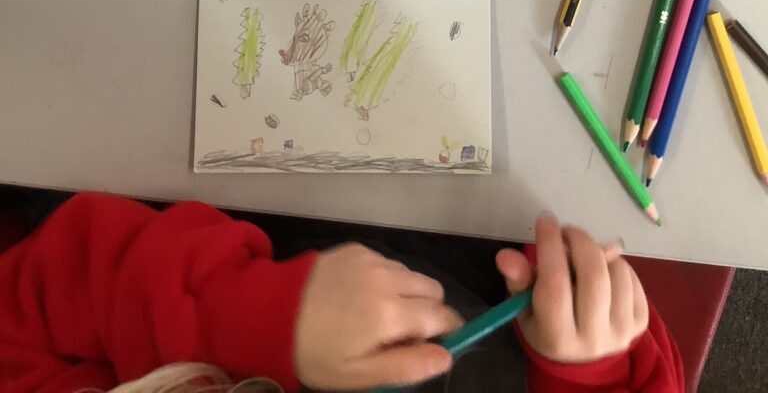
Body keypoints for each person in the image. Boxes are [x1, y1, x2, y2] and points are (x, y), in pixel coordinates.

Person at [0, 193, 684, 392]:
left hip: (202, 249)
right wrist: (588, 365)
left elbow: (19, 316)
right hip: (478, 276)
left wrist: (249, 319)